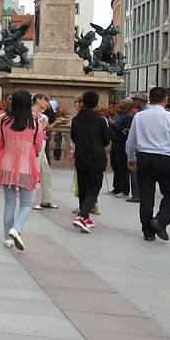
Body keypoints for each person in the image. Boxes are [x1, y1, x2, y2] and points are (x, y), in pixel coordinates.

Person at [126, 86, 170, 241]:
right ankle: (160, 220)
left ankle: (148, 231)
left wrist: (131, 158)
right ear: (165, 99)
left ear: (149, 99)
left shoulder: (139, 117)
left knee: (146, 196)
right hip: (166, 159)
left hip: (145, 157)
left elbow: (131, 140)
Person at [0, 90, 43, 250]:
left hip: (7, 165)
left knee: (9, 202)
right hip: (26, 167)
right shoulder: (35, 124)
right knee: (27, 203)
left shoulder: (3, 122)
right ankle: (17, 229)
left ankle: (7, 237)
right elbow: (38, 146)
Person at [70, 91, 110, 234]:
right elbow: (106, 140)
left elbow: (73, 137)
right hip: (96, 157)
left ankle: (85, 216)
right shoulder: (100, 120)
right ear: (97, 104)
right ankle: (82, 216)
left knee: (83, 187)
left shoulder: (76, 120)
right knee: (94, 187)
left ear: (83, 103)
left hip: (81, 156)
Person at [32, 94, 58, 209]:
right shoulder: (29, 114)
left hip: (42, 142)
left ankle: (47, 199)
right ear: (38, 100)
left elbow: (45, 129)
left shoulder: (43, 117)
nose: (46, 103)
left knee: (45, 170)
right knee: (35, 170)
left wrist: (55, 124)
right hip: (33, 143)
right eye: (45, 100)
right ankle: (32, 200)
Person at [108, 99, 134, 196]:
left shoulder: (129, 117)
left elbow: (126, 131)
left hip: (122, 143)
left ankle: (124, 189)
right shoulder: (118, 114)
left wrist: (114, 124)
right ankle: (116, 187)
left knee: (122, 166)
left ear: (128, 105)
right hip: (115, 142)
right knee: (115, 164)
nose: (120, 103)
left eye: (123, 102)